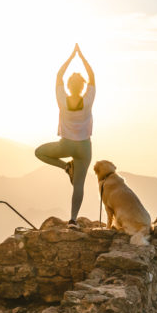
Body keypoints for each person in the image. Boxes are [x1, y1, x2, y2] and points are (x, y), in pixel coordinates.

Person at [35, 43, 96, 226]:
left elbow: (59, 75)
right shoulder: (88, 100)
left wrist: (71, 57)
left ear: (69, 86)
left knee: (39, 152)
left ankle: (66, 167)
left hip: (66, 144)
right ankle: (73, 220)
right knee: (79, 185)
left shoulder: (62, 99)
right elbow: (92, 76)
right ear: (83, 86)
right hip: (84, 147)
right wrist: (82, 57)